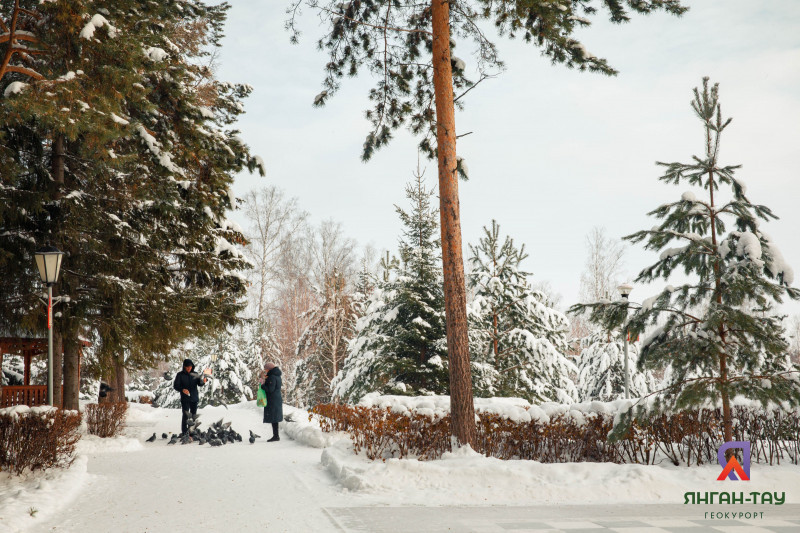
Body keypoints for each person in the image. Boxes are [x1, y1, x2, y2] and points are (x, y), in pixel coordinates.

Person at [173, 358, 211, 436]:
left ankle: (192, 431)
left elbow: (199, 384)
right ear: (184, 367)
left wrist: (203, 381)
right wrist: (182, 389)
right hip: (185, 398)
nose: (189, 368)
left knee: (194, 416)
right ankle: (184, 432)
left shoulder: (195, 374)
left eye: (190, 367)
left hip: (194, 398)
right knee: (186, 415)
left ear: (192, 366)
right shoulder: (180, 375)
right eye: (187, 367)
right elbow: (176, 386)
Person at [261, 362, 283, 442]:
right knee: (275, 418)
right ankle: (276, 435)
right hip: (276, 399)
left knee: (274, 418)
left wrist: (263, 385)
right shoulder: (277, 376)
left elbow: (270, 389)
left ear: (269, 369)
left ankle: (276, 436)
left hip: (273, 400)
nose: (265, 371)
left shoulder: (272, 377)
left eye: (266, 369)